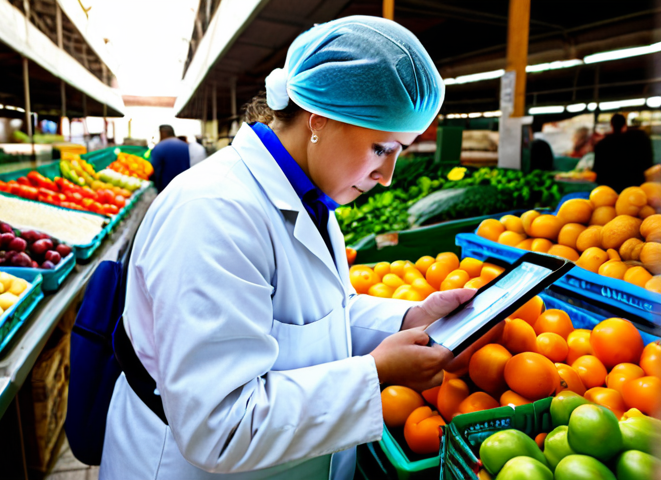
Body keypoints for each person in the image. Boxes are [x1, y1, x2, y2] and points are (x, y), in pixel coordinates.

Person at [100, 16, 472, 480]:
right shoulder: (213, 212)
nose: (387, 175)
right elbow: (221, 427)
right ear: (320, 121)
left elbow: (309, 321)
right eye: (381, 148)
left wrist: (406, 319)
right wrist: (375, 373)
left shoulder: (307, 198)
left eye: (401, 152)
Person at [594, 114, 652, 192]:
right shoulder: (639, 139)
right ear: (625, 124)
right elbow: (648, 162)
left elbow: (597, 169)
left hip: (609, 188)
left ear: (611, 125)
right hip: (635, 185)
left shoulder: (602, 144)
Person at [149, 124, 190, 191]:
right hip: (183, 186)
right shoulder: (186, 146)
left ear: (162, 133)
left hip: (166, 187)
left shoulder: (160, 147)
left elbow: (154, 168)